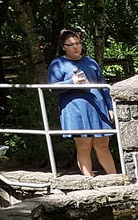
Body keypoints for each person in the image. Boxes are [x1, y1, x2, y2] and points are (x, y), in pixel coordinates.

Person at [47, 29, 117, 177]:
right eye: (71, 44)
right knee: (84, 146)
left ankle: (115, 178)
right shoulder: (58, 63)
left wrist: (110, 108)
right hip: (75, 110)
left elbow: (103, 85)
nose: (76, 47)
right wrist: (71, 82)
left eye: (78, 43)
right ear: (63, 47)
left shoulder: (90, 61)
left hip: (98, 108)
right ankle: (88, 179)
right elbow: (52, 88)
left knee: (103, 145)